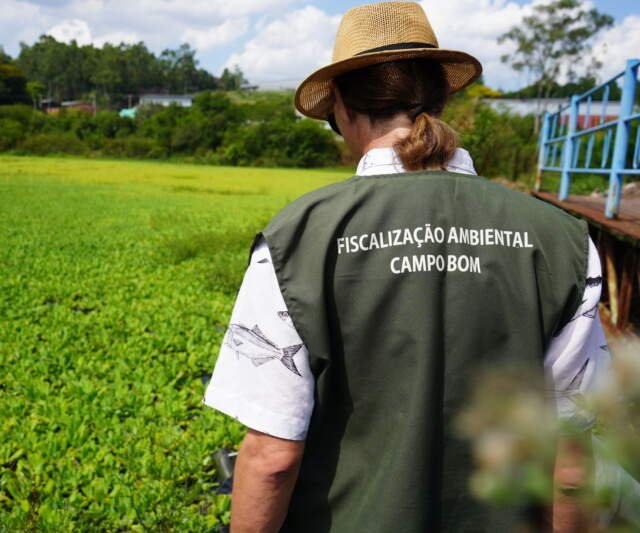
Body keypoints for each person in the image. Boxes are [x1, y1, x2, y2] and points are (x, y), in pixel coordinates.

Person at [203, 2, 610, 531]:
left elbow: (273, 457)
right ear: (441, 100)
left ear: (343, 108)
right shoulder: (562, 240)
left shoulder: (296, 237)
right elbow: (572, 468)